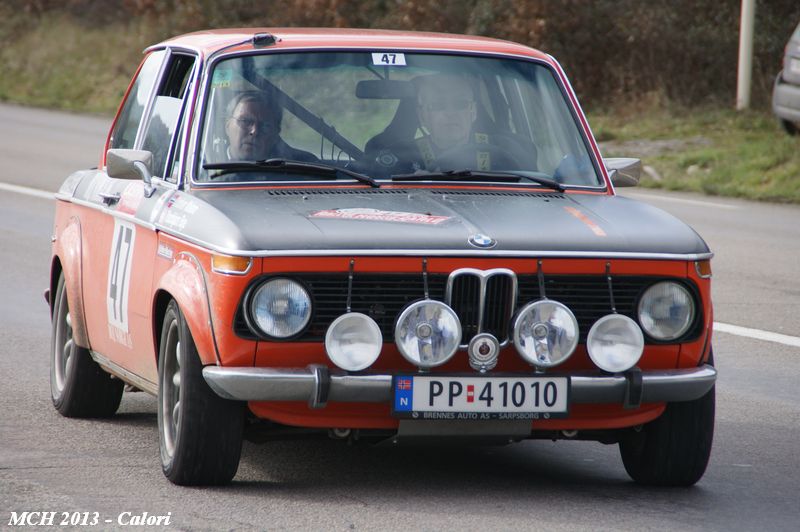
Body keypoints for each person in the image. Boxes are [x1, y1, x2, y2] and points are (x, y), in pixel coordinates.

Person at [379, 74, 519, 173]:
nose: (450, 113)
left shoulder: (504, 152)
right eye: (438, 105)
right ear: (422, 116)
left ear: (474, 111)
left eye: (460, 104)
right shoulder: (401, 157)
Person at [224, 91, 316, 162]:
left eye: (265, 126)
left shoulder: (302, 168)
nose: (254, 131)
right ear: (227, 127)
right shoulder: (210, 165)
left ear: (275, 135)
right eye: (245, 121)